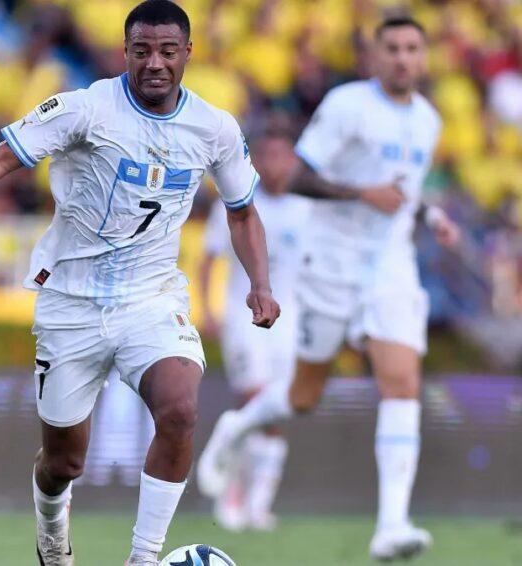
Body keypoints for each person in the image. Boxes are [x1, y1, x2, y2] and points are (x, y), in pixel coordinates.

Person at [0, 2, 279, 564]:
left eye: (167, 51)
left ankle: (143, 556)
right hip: (70, 303)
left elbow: (244, 211)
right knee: (63, 464)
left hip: (151, 299)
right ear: (124, 51)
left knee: (179, 409)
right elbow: (7, 154)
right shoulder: (86, 108)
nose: (155, 62)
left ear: (188, 54)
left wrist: (260, 283)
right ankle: (52, 528)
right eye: (142, 50)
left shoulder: (215, 128)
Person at [196, 16, 460, 561]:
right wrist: (362, 194)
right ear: (375, 55)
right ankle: (238, 425)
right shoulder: (346, 106)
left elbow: (402, 195)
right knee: (303, 396)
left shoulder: (429, 121)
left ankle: (391, 524)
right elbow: (298, 178)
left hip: (390, 266)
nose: (404, 58)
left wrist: (431, 216)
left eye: (413, 49)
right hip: (331, 263)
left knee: (401, 381)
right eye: (393, 49)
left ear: (425, 57)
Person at [196, 130, 308, 532]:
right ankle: (232, 496)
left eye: (285, 155)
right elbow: (208, 259)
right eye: (271, 155)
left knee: (277, 410)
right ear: (258, 160)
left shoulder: (306, 208)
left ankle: (259, 506)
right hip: (244, 318)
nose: (279, 164)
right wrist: (206, 308)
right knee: (254, 399)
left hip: (292, 323)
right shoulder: (238, 199)